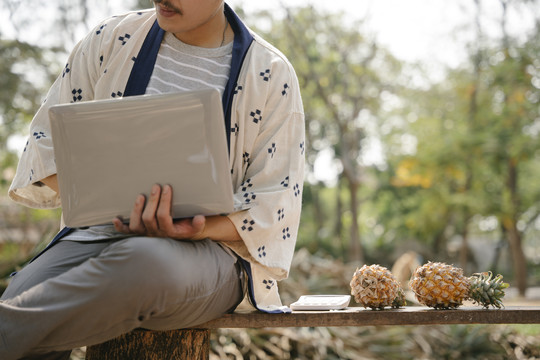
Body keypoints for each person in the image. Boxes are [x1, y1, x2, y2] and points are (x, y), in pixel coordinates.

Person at [0, 0, 305, 358]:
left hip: (208, 255)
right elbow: (45, 147)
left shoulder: (270, 72)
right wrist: (108, 198)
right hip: (93, 236)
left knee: (144, 263)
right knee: (22, 293)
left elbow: (275, 206)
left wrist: (198, 227)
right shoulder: (110, 39)